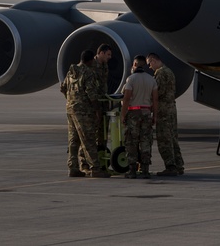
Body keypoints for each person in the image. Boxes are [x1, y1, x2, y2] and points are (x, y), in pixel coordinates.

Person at [63, 49, 109, 178]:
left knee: (73, 140)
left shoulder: (71, 72)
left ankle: (73, 167)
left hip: (70, 108)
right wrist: (97, 110)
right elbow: (92, 95)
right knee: (88, 139)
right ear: (90, 61)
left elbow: (63, 88)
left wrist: (72, 100)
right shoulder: (88, 73)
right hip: (84, 111)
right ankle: (95, 167)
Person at [120, 55, 158, 179]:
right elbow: (155, 100)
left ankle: (132, 170)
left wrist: (123, 115)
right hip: (147, 113)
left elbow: (126, 99)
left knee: (131, 141)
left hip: (133, 114)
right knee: (146, 141)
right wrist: (155, 116)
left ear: (135, 65)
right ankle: (145, 169)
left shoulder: (131, 79)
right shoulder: (151, 80)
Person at [147, 52, 183, 176]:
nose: (149, 67)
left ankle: (170, 166)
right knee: (173, 138)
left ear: (153, 60)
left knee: (164, 139)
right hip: (171, 108)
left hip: (163, 110)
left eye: (149, 63)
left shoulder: (161, 73)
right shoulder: (169, 71)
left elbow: (158, 92)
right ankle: (179, 165)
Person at [93, 43, 114, 163]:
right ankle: (89, 161)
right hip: (94, 105)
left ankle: (100, 158)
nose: (110, 57)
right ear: (101, 53)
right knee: (92, 133)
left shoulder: (105, 65)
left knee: (103, 133)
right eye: (108, 54)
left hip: (104, 104)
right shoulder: (91, 66)